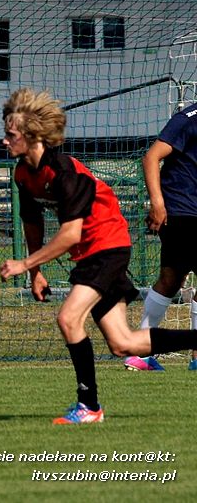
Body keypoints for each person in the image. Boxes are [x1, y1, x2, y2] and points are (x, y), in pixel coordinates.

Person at [0, 88, 197, 424]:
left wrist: (24, 264)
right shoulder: (24, 174)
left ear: (32, 137)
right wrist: (36, 273)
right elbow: (32, 224)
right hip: (93, 253)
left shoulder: (65, 172)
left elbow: (71, 234)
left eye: (11, 134)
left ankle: (89, 407)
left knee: (68, 318)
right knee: (124, 344)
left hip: (107, 248)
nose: (4, 140)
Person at [123, 101, 197, 372]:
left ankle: (139, 354)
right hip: (184, 210)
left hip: (186, 212)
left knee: (170, 279)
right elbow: (152, 156)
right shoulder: (189, 117)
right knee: (170, 279)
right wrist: (157, 203)